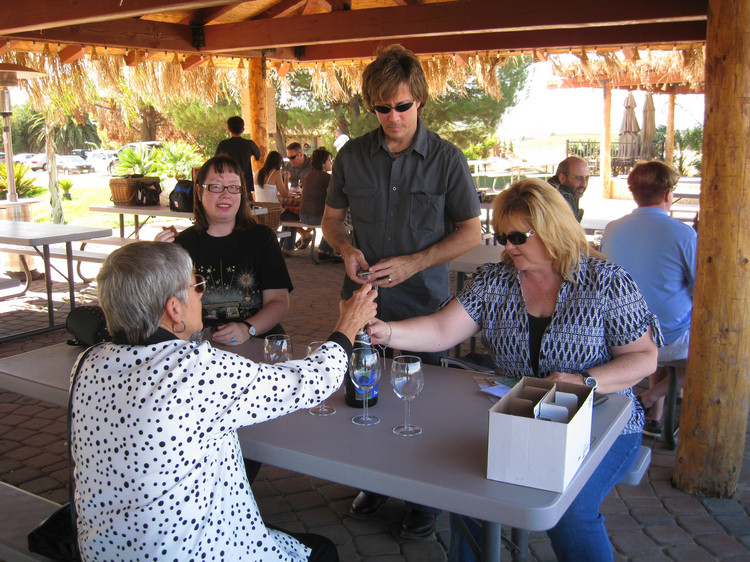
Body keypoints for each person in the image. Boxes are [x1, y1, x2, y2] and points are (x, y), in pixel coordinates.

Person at [366, 178, 660, 562]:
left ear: (552, 229)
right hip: (519, 418)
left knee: (571, 512)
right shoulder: (496, 279)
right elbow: (442, 330)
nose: (507, 246)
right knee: (467, 496)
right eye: (503, 235)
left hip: (601, 422)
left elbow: (644, 358)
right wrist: (385, 332)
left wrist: (585, 381)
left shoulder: (606, 282)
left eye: (518, 236)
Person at [71, 240, 377, 562]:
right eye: (197, 285)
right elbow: (310, 381)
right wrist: (348, 325)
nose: (202, 294)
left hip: (103, 551)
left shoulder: (89, 363)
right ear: (174, 309)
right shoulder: (193, 369)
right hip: (185, 553)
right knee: (322, 550)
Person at [322, 44, 481, 540]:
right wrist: (345, 248)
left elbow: (471, 233)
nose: (393, 117)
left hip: (424, 307)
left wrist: (417, 261)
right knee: (365, 398)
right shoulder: (352, 157)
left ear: (421, 102)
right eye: (382, 108)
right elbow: (330, 224)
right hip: (363, 301)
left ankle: (423, 497)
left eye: (403, 106)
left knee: (421, 400)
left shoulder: (448, 159)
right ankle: (377, 482)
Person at [600, 160, 696, 437]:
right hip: (669, 338)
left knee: (652, 329)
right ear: (668, 195)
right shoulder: (683, 234)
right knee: (713, 357)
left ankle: (654, 414)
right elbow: (701, 284)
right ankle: (652, 397)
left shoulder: (612, 229)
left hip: (621, 336)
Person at [155, 155, 293, 344]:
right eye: (216, 186)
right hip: (198, 349)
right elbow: (161, 308)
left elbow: (279, 302)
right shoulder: (181, 246)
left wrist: (247, 328)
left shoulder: (262, 238)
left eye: (234, 187)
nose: (225, 194)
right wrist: (156, 260)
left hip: (256, 341)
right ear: (199, 191)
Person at [300, 147, 338, 261]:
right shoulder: (326, 177)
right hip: (316, 216)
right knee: (336, 220)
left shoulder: (309, 175)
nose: (331, 162)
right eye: (329, 160)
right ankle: (324, 249)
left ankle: (325, 249)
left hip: (303, 216)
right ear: (323, 163)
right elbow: (332, 198)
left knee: (330, 219)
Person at [215, 116, 261, 192]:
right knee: (246, 203)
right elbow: (258, 156)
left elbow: (216, 162)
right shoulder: (249, 144)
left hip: (228, 184)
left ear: (229, 129)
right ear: (243, 130)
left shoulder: (223, 145)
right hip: (245, 183)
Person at [547, 156, 590, 221]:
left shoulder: (550, 189)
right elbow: (571, 230)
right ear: (562, 178)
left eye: (586, 178)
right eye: (579, 178)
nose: (584, 184)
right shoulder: (564, 197)